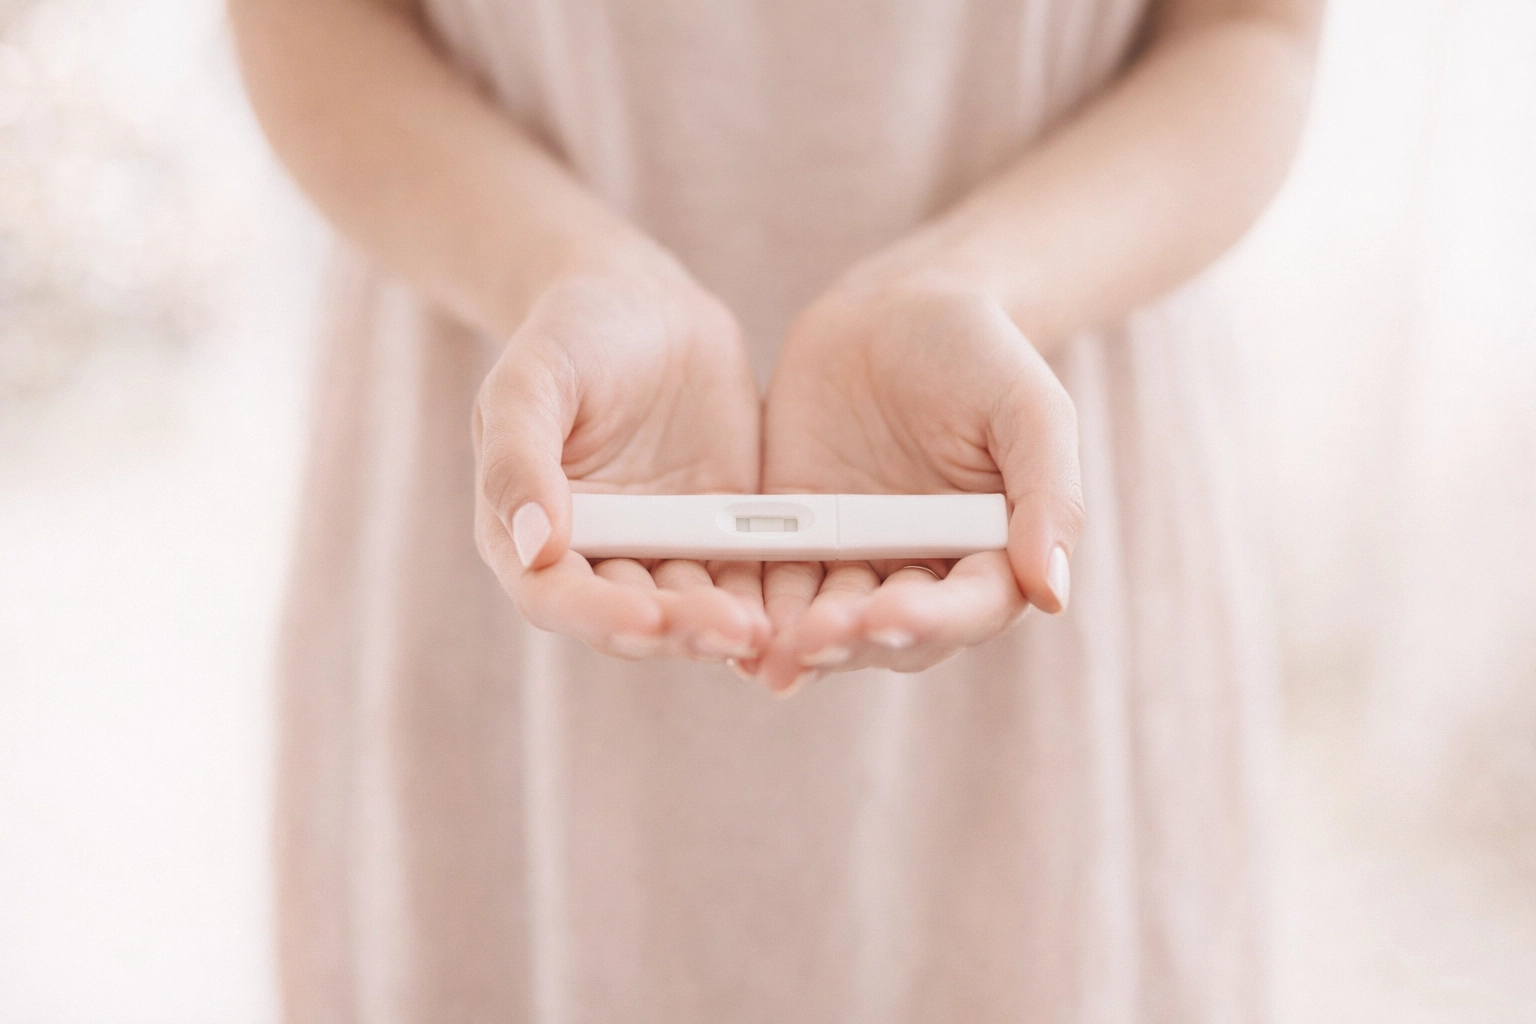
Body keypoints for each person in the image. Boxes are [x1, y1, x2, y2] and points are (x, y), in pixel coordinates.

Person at [231, 0, 1321, 1018]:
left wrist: (973, 282)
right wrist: (558, 266)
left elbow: (1252, 32)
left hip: (1019, 421)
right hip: (519, 418)